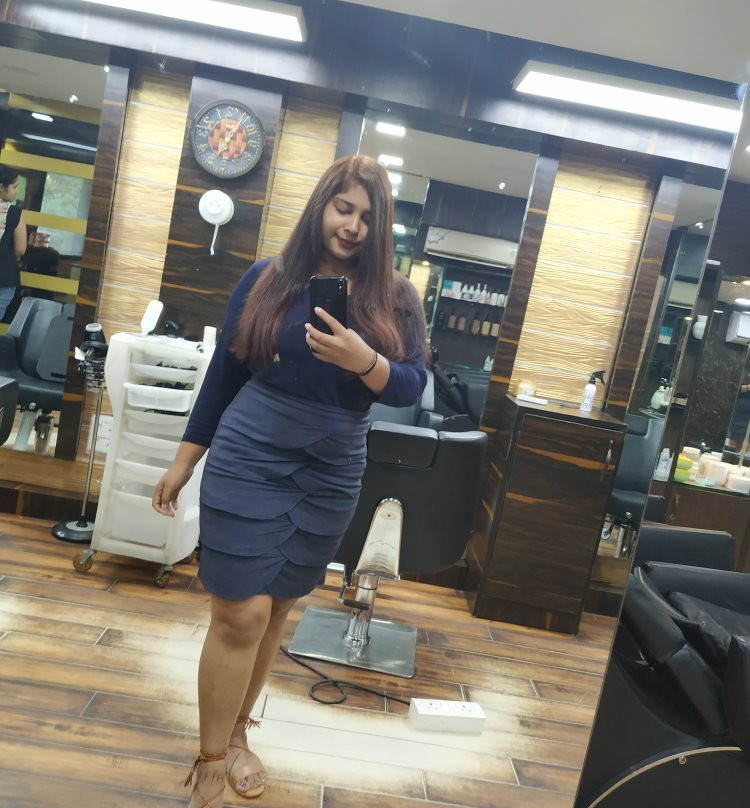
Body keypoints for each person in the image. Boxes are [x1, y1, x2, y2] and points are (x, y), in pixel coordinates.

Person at [152, 154, 428, 808]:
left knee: (276, 607)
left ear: (382, 225)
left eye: (368, 216)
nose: (353, 226)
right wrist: (185, 459)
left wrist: (365, 361)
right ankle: (210, 760)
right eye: (343, 208)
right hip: (251, 450)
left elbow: (412, 384)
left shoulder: (396, 298)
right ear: (320, 207)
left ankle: (238, 733)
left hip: (331, 467)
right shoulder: (268, 279)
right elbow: (225, 375)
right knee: (240, 611)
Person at [0, 165, 27, 320]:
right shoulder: (15, 213)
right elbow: (20, 249)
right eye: (15, 186)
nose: (17, 191)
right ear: (1, 187)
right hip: (4, 277)